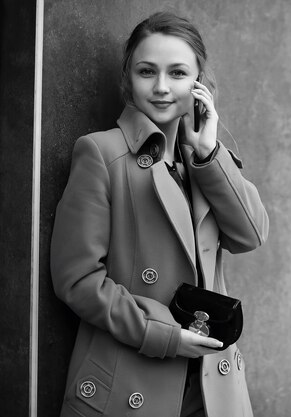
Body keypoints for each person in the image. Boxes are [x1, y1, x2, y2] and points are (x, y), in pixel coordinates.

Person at [50, 11, 269, 417]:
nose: (162, 87)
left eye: (178, 73)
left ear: (200, 84)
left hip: (212, 387)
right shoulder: (101, 153)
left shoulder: (203, 160)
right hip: (132, 379)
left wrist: (209, 153)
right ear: (127, 79)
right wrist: (164, 334)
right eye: (147, 71)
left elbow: (250, 235)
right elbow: (76, 279)